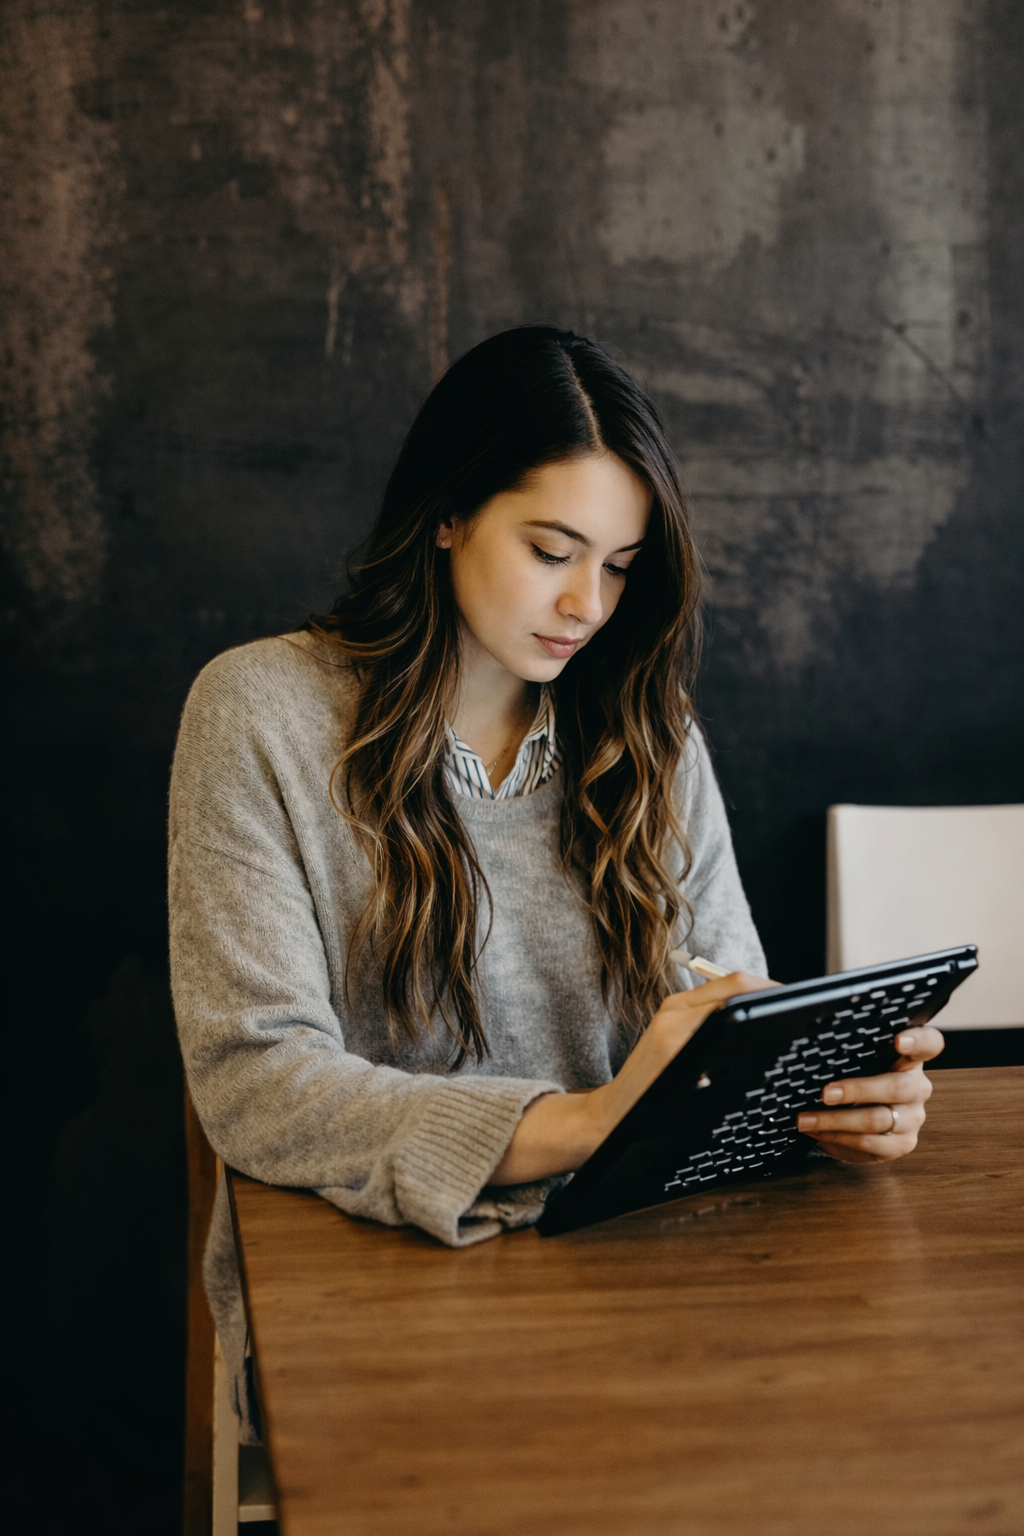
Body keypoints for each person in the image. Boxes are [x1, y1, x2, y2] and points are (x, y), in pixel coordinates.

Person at [169, 327, 942, 1436]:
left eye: (620, 567)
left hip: (651, 1281)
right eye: (552, 548)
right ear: (446, 513)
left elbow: (727, 1012)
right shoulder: (260, 713)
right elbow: (257, 1082)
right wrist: (585, 1122)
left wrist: (824, 1092)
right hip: (375, 1311)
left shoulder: (648, 735)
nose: (588, 602)